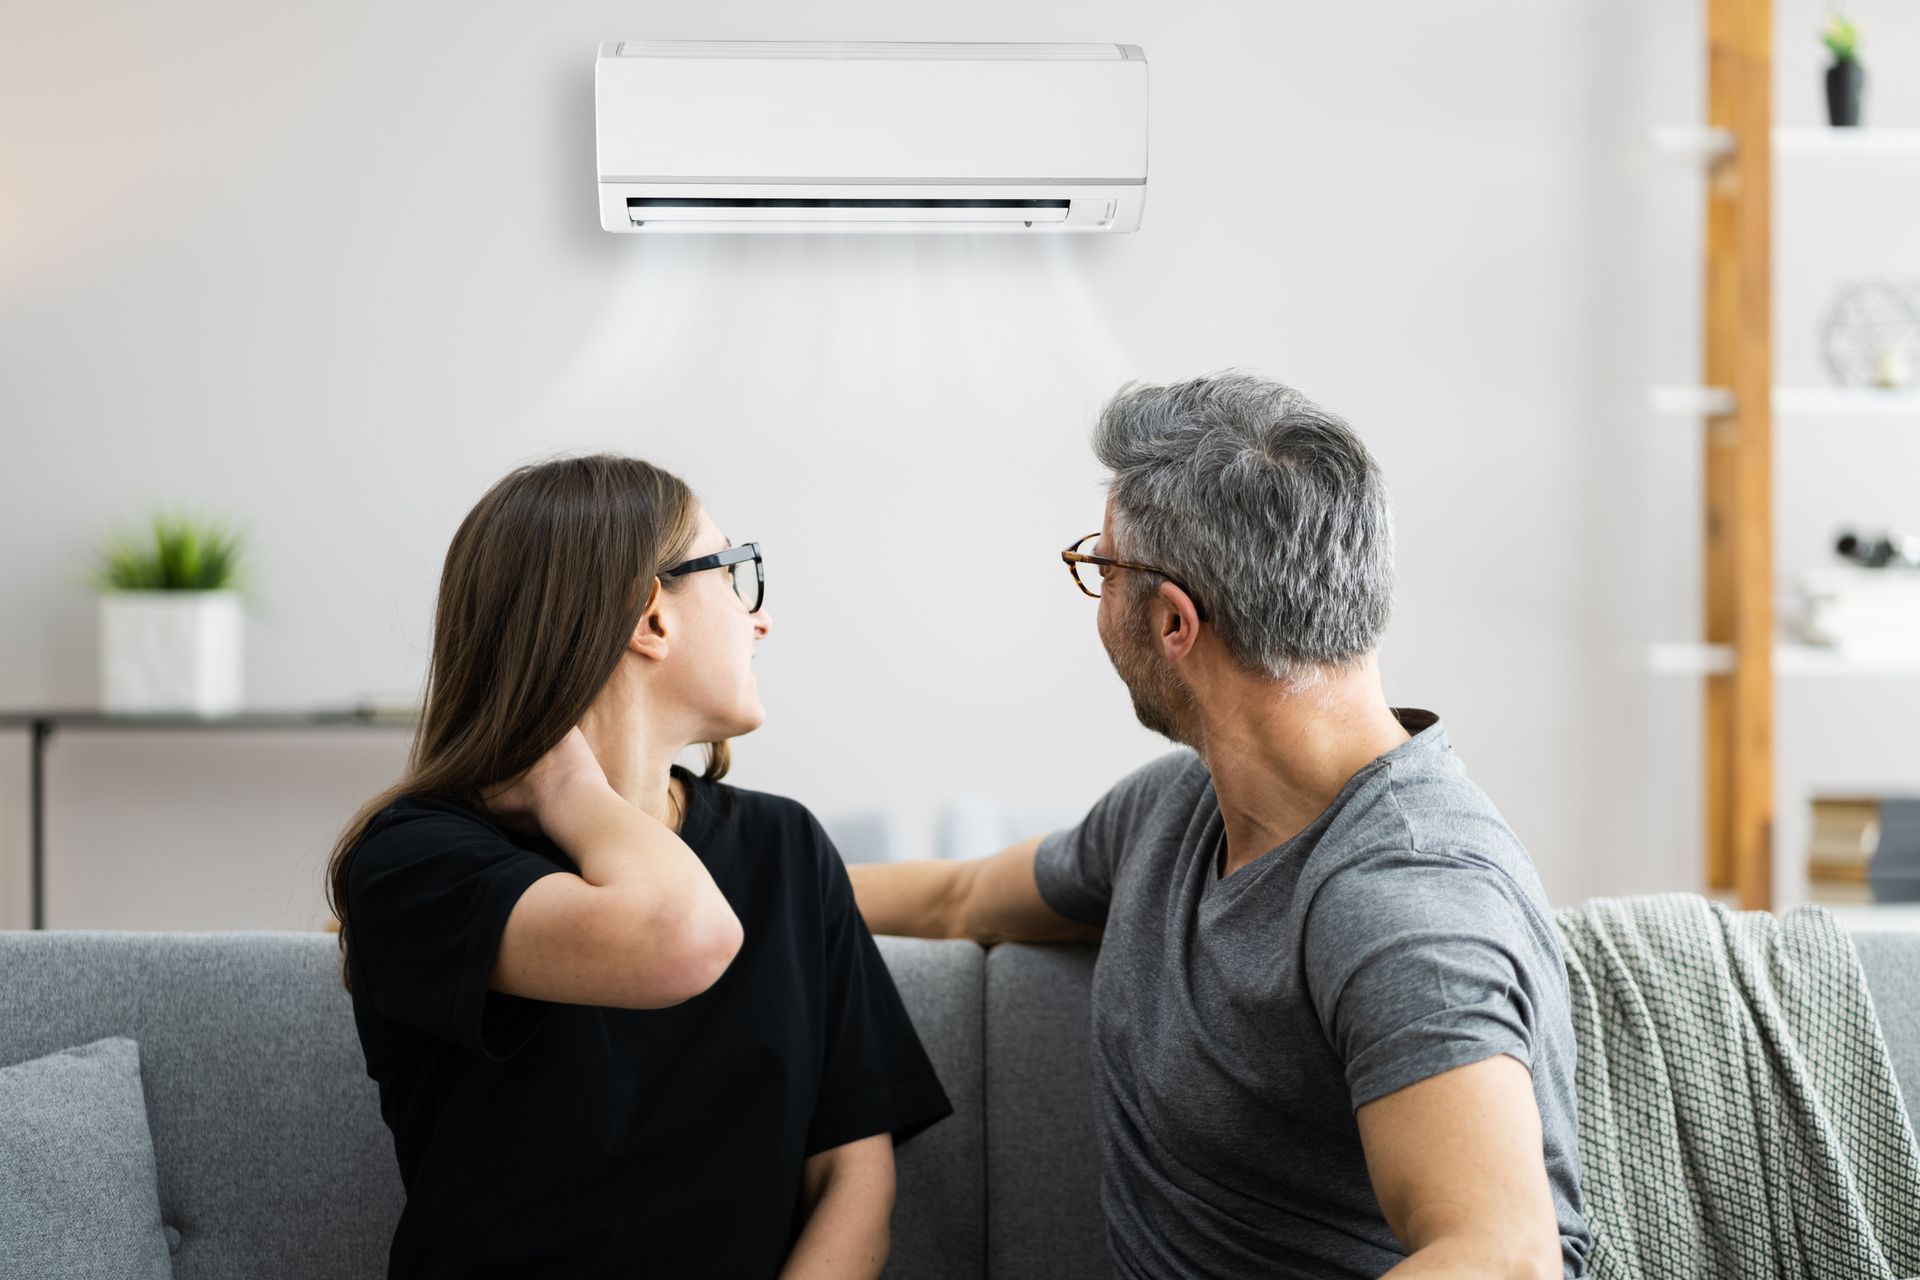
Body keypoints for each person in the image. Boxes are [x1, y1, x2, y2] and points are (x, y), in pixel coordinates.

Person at [850, 372, 1589, 1279]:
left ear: (1173, 620)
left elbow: (1507, 1256)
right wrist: (740, 875)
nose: (1096, 597)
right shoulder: (1175, 811)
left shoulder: (1405, 903)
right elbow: (960, 897)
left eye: (1101, 570)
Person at [324, 453, 950, 1280]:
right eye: (736, 575)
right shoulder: (416, 861)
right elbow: (682, 938)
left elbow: (853, 1179)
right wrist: (571, 792)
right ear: (650, 616)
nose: (761, 621)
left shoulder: (786, 847)